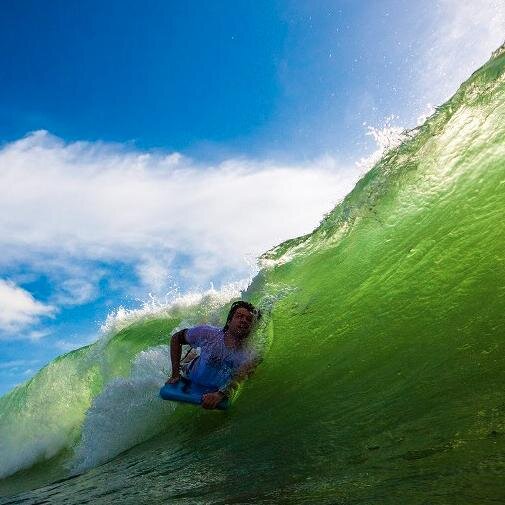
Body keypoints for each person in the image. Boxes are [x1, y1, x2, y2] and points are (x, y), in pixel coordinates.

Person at [166, 301, 261, 409]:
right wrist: (175, 374)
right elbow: (176, 338)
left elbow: (239, 378)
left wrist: (220, 394)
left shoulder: (249, 354)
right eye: (239, 316)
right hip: (189, 372)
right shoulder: (207, 333)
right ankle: (195, 346)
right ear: (229, 321)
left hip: (215, 386)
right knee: (192, 356)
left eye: (249, 319)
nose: (244, 320)